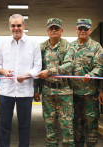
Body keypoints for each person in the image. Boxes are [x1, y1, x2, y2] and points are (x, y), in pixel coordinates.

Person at [40, 19, 103, 147]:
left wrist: (92, 77)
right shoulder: (70, 46)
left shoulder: (96, 47)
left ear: (90, 30)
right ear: (76, 29)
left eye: (86, 29)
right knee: (75, 129)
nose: (83, 31)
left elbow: (100, 67)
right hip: (72, 94)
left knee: (91, 127)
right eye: (80, 28)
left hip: (89, 94)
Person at [0, 14, 42, 147]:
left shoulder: (33, 44)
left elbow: (38, 67)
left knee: (24, 128)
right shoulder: (2, 44)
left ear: (24, 26)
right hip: (6, 92)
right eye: (13, 25)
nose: (16, 28)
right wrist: (3, 72)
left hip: (25, 93)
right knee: (4, 127)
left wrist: (27, 75)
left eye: (19, 25)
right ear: (9, 27)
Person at [34, 18, 75, 147]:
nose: (53, 30)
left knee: (67, 126)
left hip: (64, 93)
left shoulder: (69, 46)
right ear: (47, 31)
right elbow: (37, 68)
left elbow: (70, 66)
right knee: (49, 126)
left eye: (56, 28)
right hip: (47, 92)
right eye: (51, 28)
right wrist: (36, 90)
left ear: (61, 30)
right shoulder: (41, 47)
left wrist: (50, 71)